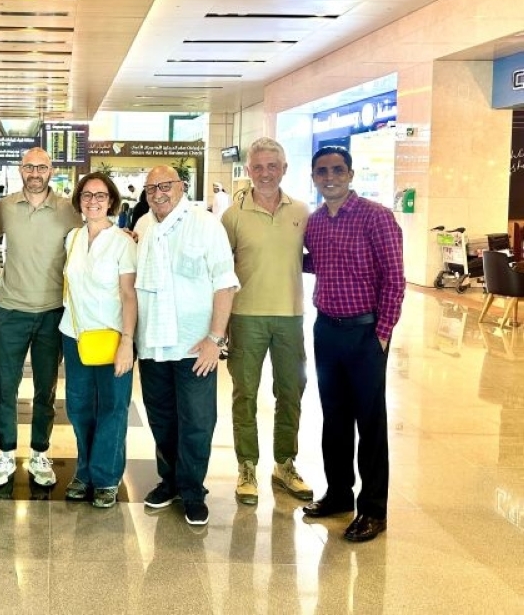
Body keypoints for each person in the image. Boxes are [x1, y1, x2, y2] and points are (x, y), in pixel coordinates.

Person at [301, 145, 404, 543]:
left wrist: (382, 334)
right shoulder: (315, 223)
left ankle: (373, 510)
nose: (330, 177)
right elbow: (315, 261)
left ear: (350, 173)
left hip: (366, 333)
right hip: (327, 329)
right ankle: (339, 495)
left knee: (371, 422)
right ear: (314, 177)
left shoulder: (376, 217)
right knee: (335, 418)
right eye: (323, 171)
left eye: (337, 170)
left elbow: (395, 279)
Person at [133, 165, 239, 526]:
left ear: (181, 187)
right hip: (152, 345)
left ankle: (193, 491)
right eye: (151, 189)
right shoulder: (143, 227)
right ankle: (170, 482)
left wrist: (215, 340)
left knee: (196, 421)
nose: (158, 193)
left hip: (194, 346)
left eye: (165, 186)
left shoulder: (206, 224)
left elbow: (225, 284)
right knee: (161, 418)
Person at [221, 137, 312, 506]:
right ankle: (246, 465)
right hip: (245, 317)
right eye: (257, 167)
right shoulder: (233, 216)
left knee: (290, 392)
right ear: (248, 170)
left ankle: (285, 463)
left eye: (272, 166)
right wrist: (221, 322)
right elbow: (221, 271)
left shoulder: (302, 213)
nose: (264, 173)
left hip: (290, 316)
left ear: (284, 169)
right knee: (244, 394)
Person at [0, 147, 82, 487]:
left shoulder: (68, 210)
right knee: (6, 387)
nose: (35, 173)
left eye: (41, 167)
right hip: (11, 310)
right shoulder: (5, 208)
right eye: (29, 167)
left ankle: (41, 452)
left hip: (52, 312)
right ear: (20, 169)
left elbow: (89, 240)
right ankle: (6, 452)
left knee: (46, 389)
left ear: (51, 170)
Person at [59, 172, 137, 509]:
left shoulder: (123, 242)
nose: (93, 201)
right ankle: (84, 471)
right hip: (75, 335)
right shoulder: (72, 238)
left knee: (113, 407)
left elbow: (128, 295)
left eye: (100, 195)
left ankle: (106, 476)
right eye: (87, 195)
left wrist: (127, 342)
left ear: (111, 201)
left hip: (112, 336)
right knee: (78, 407)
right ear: (79, 200)